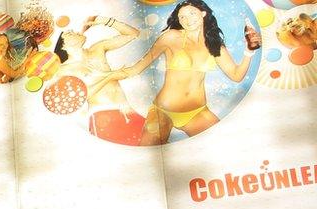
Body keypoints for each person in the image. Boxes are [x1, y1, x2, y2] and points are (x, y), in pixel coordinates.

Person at [106, 0, 258, 144]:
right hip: (163, 111)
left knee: (227, 146)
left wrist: (249, 51)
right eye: (182, 17)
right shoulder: (171, 37)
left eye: (192, 13)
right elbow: (138, 67)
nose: (187, 19)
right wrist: (107, 76)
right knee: (145, 155)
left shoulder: (214, 44)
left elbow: (236, 75)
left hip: (197, 113)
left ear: (203, 13)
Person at [53, 15, 145, 145]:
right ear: (63, 46)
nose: (74, 31)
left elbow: (133, 34)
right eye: (69, 33)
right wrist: (109, 77)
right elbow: (79, 98)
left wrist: (104, 21)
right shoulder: (63, 69)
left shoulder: (97, 49)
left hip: (128, 110)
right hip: (103, 115)